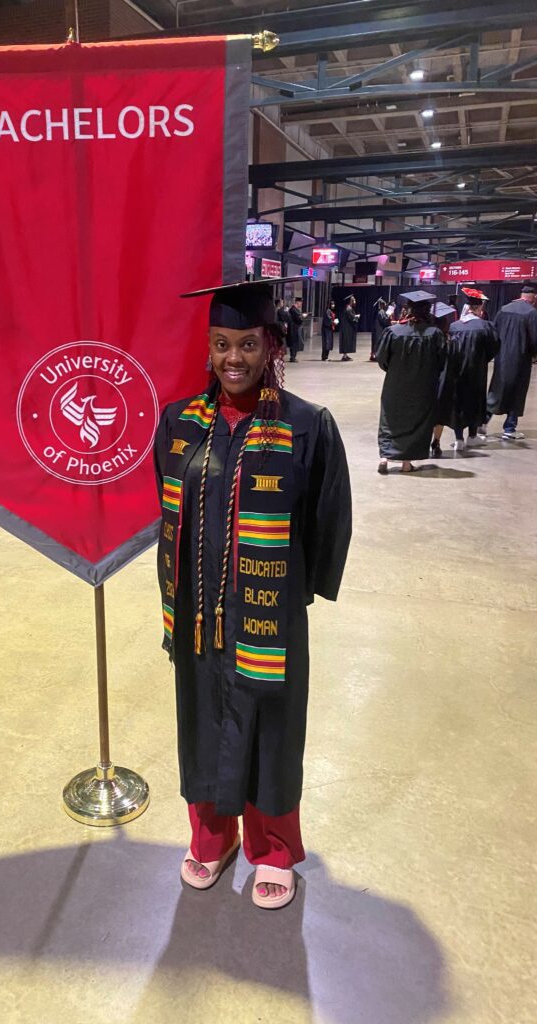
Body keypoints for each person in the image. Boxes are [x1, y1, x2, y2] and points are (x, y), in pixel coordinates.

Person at [154, 279, 351, 910]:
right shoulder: (180, 421)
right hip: (198, 616)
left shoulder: (305, 425)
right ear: (207, 348)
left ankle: (272, 849)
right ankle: (212, 838)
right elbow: (166, 506)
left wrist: (300, 595)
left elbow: (327, 519)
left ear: (270, 346)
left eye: (246, 343)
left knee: (271, 726)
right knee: (201, 721)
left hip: (268, 615)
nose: (232, 358)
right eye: (220, 344)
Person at [376, 290, 447, 474]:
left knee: (390, 420)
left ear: (407, 309)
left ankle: (384, 458)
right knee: (416, 423)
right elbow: (442, 362)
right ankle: (406, 464)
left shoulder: (392, 332)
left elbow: (382, 359)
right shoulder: (435, 334)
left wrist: (396, 371)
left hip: (395, 385)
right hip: (423, 388)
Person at [438, 289, 499, 452]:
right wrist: (482, 359)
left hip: (457, 371)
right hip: (477, 371)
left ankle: (458, 439)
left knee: (458, 402)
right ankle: (472, 436)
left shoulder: (454, 326)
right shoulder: (485, 326)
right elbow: (494, 348)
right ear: (480, 308)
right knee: (475, 401)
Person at [484, 283, 537, 440]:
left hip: (501, 358)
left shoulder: (504, 309)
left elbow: (493, 332)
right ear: (533, 297)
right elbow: (534, 339)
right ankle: (509, 428)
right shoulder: (531, 313)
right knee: (517, 392)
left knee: (496, 389)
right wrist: (534, 356)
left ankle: (482, 423)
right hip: (521, 359)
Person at [429, 301, 460, 457]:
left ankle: (422, 442)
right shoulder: (450, 342)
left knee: (426, 413)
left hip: (426, 382)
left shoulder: (425, 339)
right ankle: (436, 442)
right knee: (439, 415)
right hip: (444, 382)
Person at [339, 295, 359, 361]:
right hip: (346, 328)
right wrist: (356, 317)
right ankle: (344, 356)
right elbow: (352, 318)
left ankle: (345, 355)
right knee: (346, 341)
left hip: (348, 328)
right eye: (354, 300)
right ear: (351, 301)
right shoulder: (348, 309)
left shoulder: (349, 308)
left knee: (347, 341)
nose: (355, 302)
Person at [287, 297, 306, 363]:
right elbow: (298, 319)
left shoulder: (295, 309)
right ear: (298, 302)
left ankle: (293, 357)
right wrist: (302, 317)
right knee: (294, 343)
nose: (301, 305)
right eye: (301, 303)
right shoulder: (293, 309)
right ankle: (292, 357)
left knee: (295, 342)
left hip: (295, 328)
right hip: (293, 328)